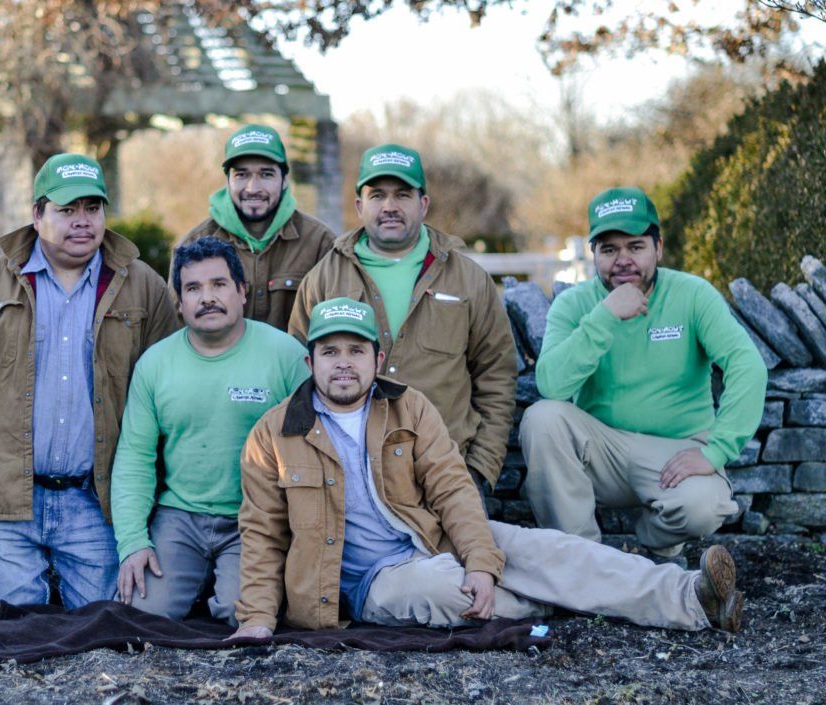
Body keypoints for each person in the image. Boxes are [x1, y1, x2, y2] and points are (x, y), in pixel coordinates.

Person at [232, 298, 744, 637]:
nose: (343, 362)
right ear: (310, 363)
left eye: (355, 350)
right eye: (330, 352)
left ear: (377, 358)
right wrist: (256, 618)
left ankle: (693, 597)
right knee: (444, 589)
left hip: (433, 537)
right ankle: (567, 599)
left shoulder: (408, 407)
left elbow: (453, 489)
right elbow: (262, 533)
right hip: (372, 581)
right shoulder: (273, 434)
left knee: (552, 550)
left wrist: (479, 560)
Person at [0, 153, 177, 612]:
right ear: (37, 214)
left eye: (92, 208)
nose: (82, 221)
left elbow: (169, 393)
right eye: (67, 210)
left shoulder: (142, 286)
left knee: (111, 621)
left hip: (95, 504)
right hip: (7, 502)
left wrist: (154, 501)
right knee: (10, 620)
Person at [520, 186, 768, 562]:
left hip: (675, 452)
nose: (623, 260)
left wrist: (716, 451)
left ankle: (651, 542)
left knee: (704, 507)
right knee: (542, 418)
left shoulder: (693, 295)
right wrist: (605, 316)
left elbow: (747, 365)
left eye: (635, 247)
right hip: (600, 451)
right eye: (609, 250)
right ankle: (581, 559)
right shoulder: (574, 304)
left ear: (658, 248)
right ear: (594, 254)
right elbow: (552, 385)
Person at [289, 143, 516, 492]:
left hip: (445, 472)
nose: (390, 206)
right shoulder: (323, 279)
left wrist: (480, 468)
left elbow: (497, 375)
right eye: (377, 195)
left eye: (402, 195)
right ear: (359, 206)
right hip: (345, 478)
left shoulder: (469, 280)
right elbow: (298, 378)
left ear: (423, 204)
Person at [111, 236, 310, 624]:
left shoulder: (286, 355)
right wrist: (133, 543)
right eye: (193, 288)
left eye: (219, 284)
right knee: (142, 613)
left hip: (255, 517)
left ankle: (222, 590)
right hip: (179, 516)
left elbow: (316, 450)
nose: (207, 298)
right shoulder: (155, 364)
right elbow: (135, 459)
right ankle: (191, 580)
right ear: (179, 303)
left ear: (242, 292)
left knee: (243, 614)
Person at [175, 123, 336, 331]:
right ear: (228, 180)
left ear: (284, 180)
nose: (253, 188)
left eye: (266, 174)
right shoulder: (192, 244)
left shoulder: (321, 242)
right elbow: (177, 328)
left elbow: (334, 330)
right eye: (241, 175)